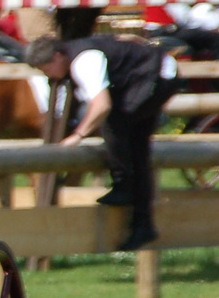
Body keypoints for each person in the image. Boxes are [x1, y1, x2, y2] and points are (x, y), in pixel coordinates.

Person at [25, 34, 179, 251]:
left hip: (158, 75)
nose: (47, 74)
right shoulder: (75, 47)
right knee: (136, 148)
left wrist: (78, 135)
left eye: (45, 68)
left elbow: (101, 105)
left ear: (58, 56)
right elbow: (126, 37)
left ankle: (123, 184)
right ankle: (143, 223)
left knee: (113, 121)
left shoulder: (84, 62)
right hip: (156, 72)